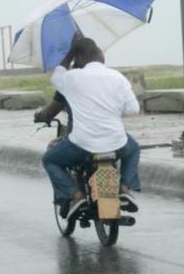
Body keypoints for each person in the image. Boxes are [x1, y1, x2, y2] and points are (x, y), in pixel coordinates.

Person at [38, 36, 142, 219]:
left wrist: (70, 52)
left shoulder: (72, 78)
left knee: (50, 160)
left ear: (78, 57)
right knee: (133, 149)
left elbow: (56, 77)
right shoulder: (118, 77)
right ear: (101, 55)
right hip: (116, 142)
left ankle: (76, 195)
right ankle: (125, 188)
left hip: (82, 143)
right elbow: (133, 109)